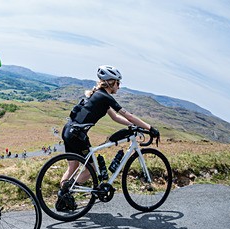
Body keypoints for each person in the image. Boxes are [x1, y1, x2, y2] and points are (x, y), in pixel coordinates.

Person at [57, 65, 156, 211]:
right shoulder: (105, 97)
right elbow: (127, 114)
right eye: (118, 83)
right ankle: (66, 192)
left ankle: (63, 200)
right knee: (90, 168)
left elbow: (115, 117)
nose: (119, 87)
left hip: (70, 130)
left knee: (73, 167)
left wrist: (134, 126)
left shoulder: (98, 95)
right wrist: (149, 128)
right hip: (78, 135)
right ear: (110, 82)